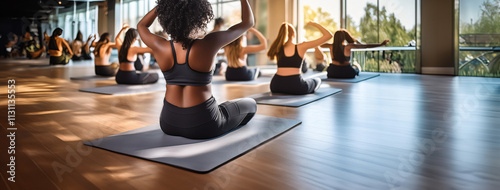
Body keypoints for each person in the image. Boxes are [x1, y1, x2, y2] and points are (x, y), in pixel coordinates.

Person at [137, 0, 257, 139]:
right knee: (251, 104)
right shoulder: (209, 43)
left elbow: (141, 25)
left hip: (168, 123)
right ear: (199, 17)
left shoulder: (160, 46)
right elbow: (248, 23)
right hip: (204, 124)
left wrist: (165, 5)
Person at [267, 22, 332, 95]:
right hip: (295, 86)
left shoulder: (278, 48)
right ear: (294, 34)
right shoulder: (301, 47)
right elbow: (329, 36)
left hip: (276, 85)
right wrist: (315, 24)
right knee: (317, 80)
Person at [323, 29, 389, 78]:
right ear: (344, 37)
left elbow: (318, 44)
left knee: (354, 69)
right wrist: (381, 44)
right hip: (346, 72)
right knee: (356, 69)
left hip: (332, 72)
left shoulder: (330, 46)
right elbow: (365, 46)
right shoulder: (348, 46)